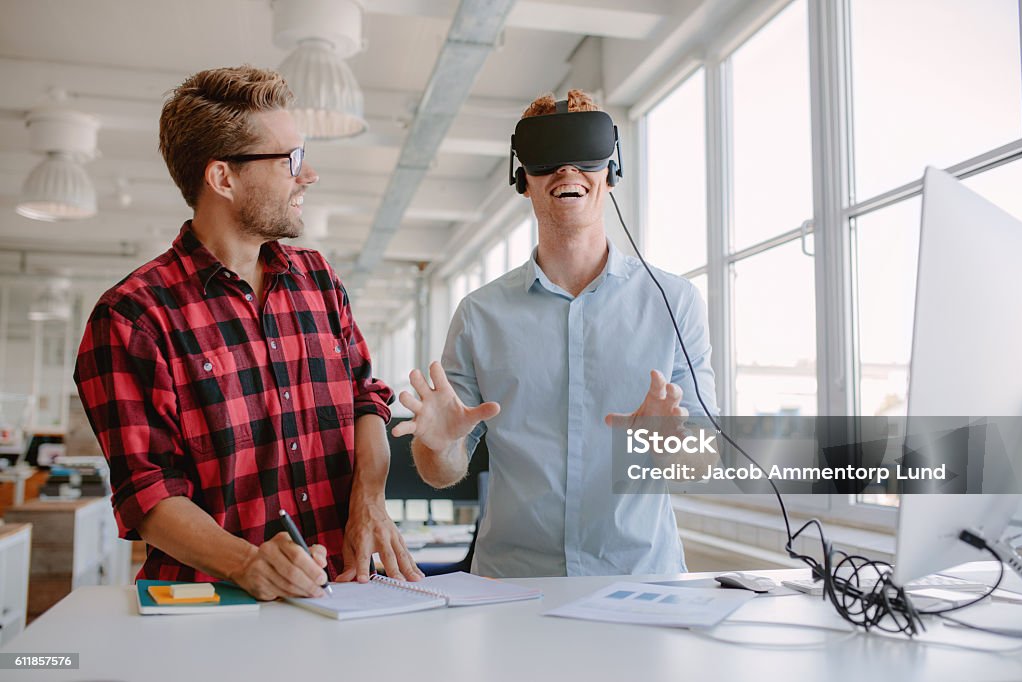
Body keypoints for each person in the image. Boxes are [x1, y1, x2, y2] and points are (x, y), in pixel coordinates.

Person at [74, 65, 422, 600]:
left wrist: (369, 496)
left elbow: (365, 399)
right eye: (292, 161)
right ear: (223, 178)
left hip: (343, 596)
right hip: (212, 610)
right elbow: (147, 492)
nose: (309, 176)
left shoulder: (318, 280)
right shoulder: (132, 317)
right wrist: (248, 562)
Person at [393, 90, 718, 578]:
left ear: (611, 171)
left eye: (583, 154)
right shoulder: (480, 314)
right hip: (512, 586)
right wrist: (436, 447)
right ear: (522, 179)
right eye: (547, 158)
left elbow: (700, 467)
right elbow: (443, 471)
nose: (567, 171)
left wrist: (667, 441)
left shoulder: (673, 303)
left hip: (639, 581)